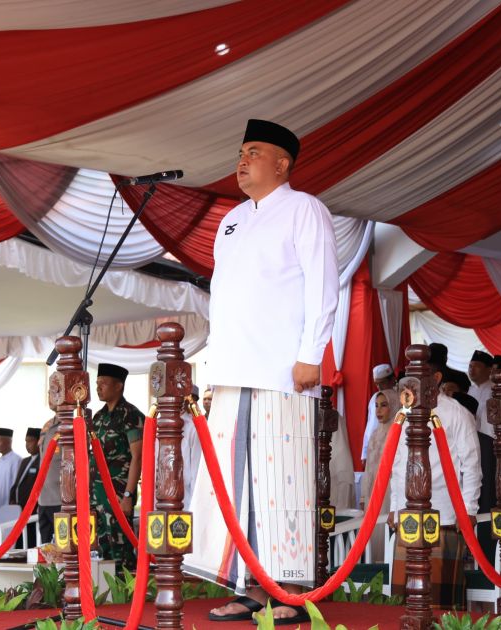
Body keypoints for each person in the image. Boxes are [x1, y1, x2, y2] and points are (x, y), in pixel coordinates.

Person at [194, 119, 337, 625]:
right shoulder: (231, 220)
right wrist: (213, 369)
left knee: (281, 483)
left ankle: (289, 590)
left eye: (253, 152)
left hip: (282, 371)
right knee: (237, 487)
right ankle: (253, 587)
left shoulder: (305, 209)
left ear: (282, 163)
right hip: (232, 371)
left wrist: (311, 353)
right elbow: (222, 300)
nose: (242, 160)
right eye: (240, 152)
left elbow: (323, 286)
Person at [387, 358, 482, 609]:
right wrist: (394, 506)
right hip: (407, 513)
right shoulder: (403, 412)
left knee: (441, 603)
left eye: (419, 374)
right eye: (409, 374)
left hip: (446, 513)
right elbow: (397, 462)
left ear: (436, 378)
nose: (411, 380)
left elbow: (471, 464)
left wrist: (468, 509)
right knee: (403, 602)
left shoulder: (457, 413)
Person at [91, 363, 144, 572]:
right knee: (100, 552)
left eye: (103, 383)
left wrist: (128, 495)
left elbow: (138, 457)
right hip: (96, 496)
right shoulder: (98, 417)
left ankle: (126, 589)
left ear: (118, 385)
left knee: (121, 551)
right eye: (97, 383)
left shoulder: (131, 415)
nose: (98, 387)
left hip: (118, 495)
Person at [360, 389, 401, 514]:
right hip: (373, 489)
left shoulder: (399, 432)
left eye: (383, 405)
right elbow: (368, 468)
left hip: (390, 489)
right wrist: (363, 496)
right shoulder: (375, 434)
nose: (378, 411)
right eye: (376, 406)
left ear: (394, 406)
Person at [359, 363, 398, 463]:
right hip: (378, 446)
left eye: (382, 383)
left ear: (392, 380)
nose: (379, 387)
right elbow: (371, 427)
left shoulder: (401, 396)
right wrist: (365, 453)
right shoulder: (375, 398)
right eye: (377, 384)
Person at [10, 428, 41, 547]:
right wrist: (12, 498)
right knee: (20, 538)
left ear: (38, 442)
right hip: (19, 508)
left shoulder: (41, 460)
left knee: (30, 538)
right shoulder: (24, 461)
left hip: (32, 508)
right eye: (26, 441)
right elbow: (17, 483)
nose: (27, 444)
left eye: (30, 441)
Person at [36, 416, 61, 547]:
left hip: (61, 498)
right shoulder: (48, 425)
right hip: (44, 498)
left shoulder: (71, 423)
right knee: (47, 549)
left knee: (64, 547)